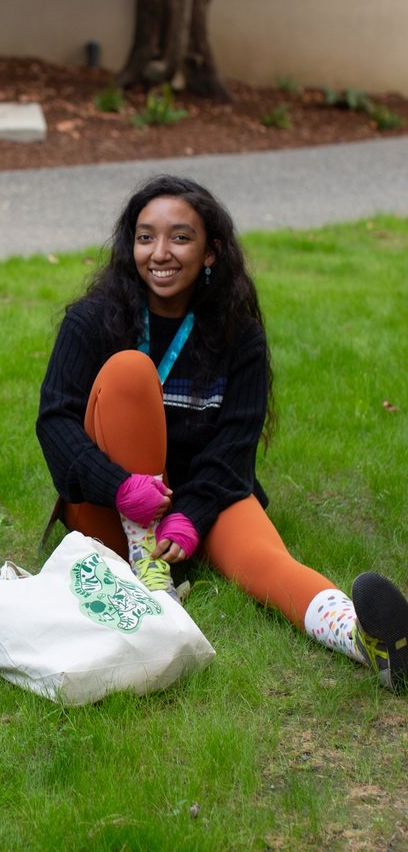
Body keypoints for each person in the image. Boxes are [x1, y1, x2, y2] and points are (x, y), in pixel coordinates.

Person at [36, 174, 408, 692]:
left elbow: (235, 444)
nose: (160, 252)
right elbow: (55, 422)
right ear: (131, 246)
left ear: (210, 252)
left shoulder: (238, 333)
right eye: (146, 237)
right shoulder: (92, 321)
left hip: (199, 499)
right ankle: (146, 569)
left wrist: (190, 516)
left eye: (180, 237)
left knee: (268, 562)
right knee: (129, 372)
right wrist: (121, 488)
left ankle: (364, 641)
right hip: (108, 506)